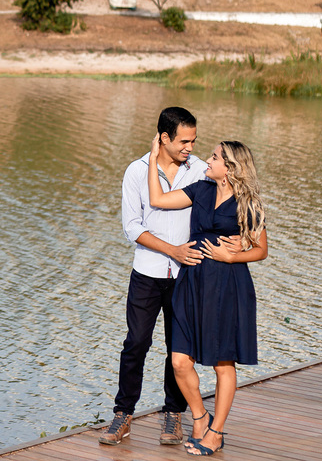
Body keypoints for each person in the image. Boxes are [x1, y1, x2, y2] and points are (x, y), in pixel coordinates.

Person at [147, 137, 268, 457]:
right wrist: (153, 157)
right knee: (179, 361)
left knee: (222, 364)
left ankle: (216, 433)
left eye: (214, 157)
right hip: (191, 284)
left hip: (227, 288)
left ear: (228, 168)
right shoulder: (200, 190)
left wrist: (231, 257)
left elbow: (261, 250)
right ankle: (200, 418)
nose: (207, 161)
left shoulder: (248, 204)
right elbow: (157, 199)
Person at [100, 106, 209, 447]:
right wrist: (171, 250)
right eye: (184, 141)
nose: (190, 147)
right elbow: (133, 228)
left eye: (193, 140)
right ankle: (123, 414)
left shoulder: (202, 171)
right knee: (136, 343)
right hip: (146, 274)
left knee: (179, 349)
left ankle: (173, 414)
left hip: (187, 275)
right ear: (164, 137)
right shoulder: (136, 171)